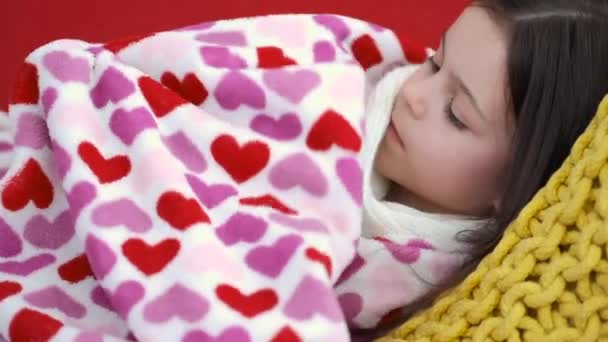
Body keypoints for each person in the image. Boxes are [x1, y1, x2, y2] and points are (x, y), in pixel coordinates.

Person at [347, 0, 608, 333]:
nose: (415, 95)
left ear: (519, 184)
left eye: (455, 113)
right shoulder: (350, 73)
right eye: (434, 63)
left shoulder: (431, 290)